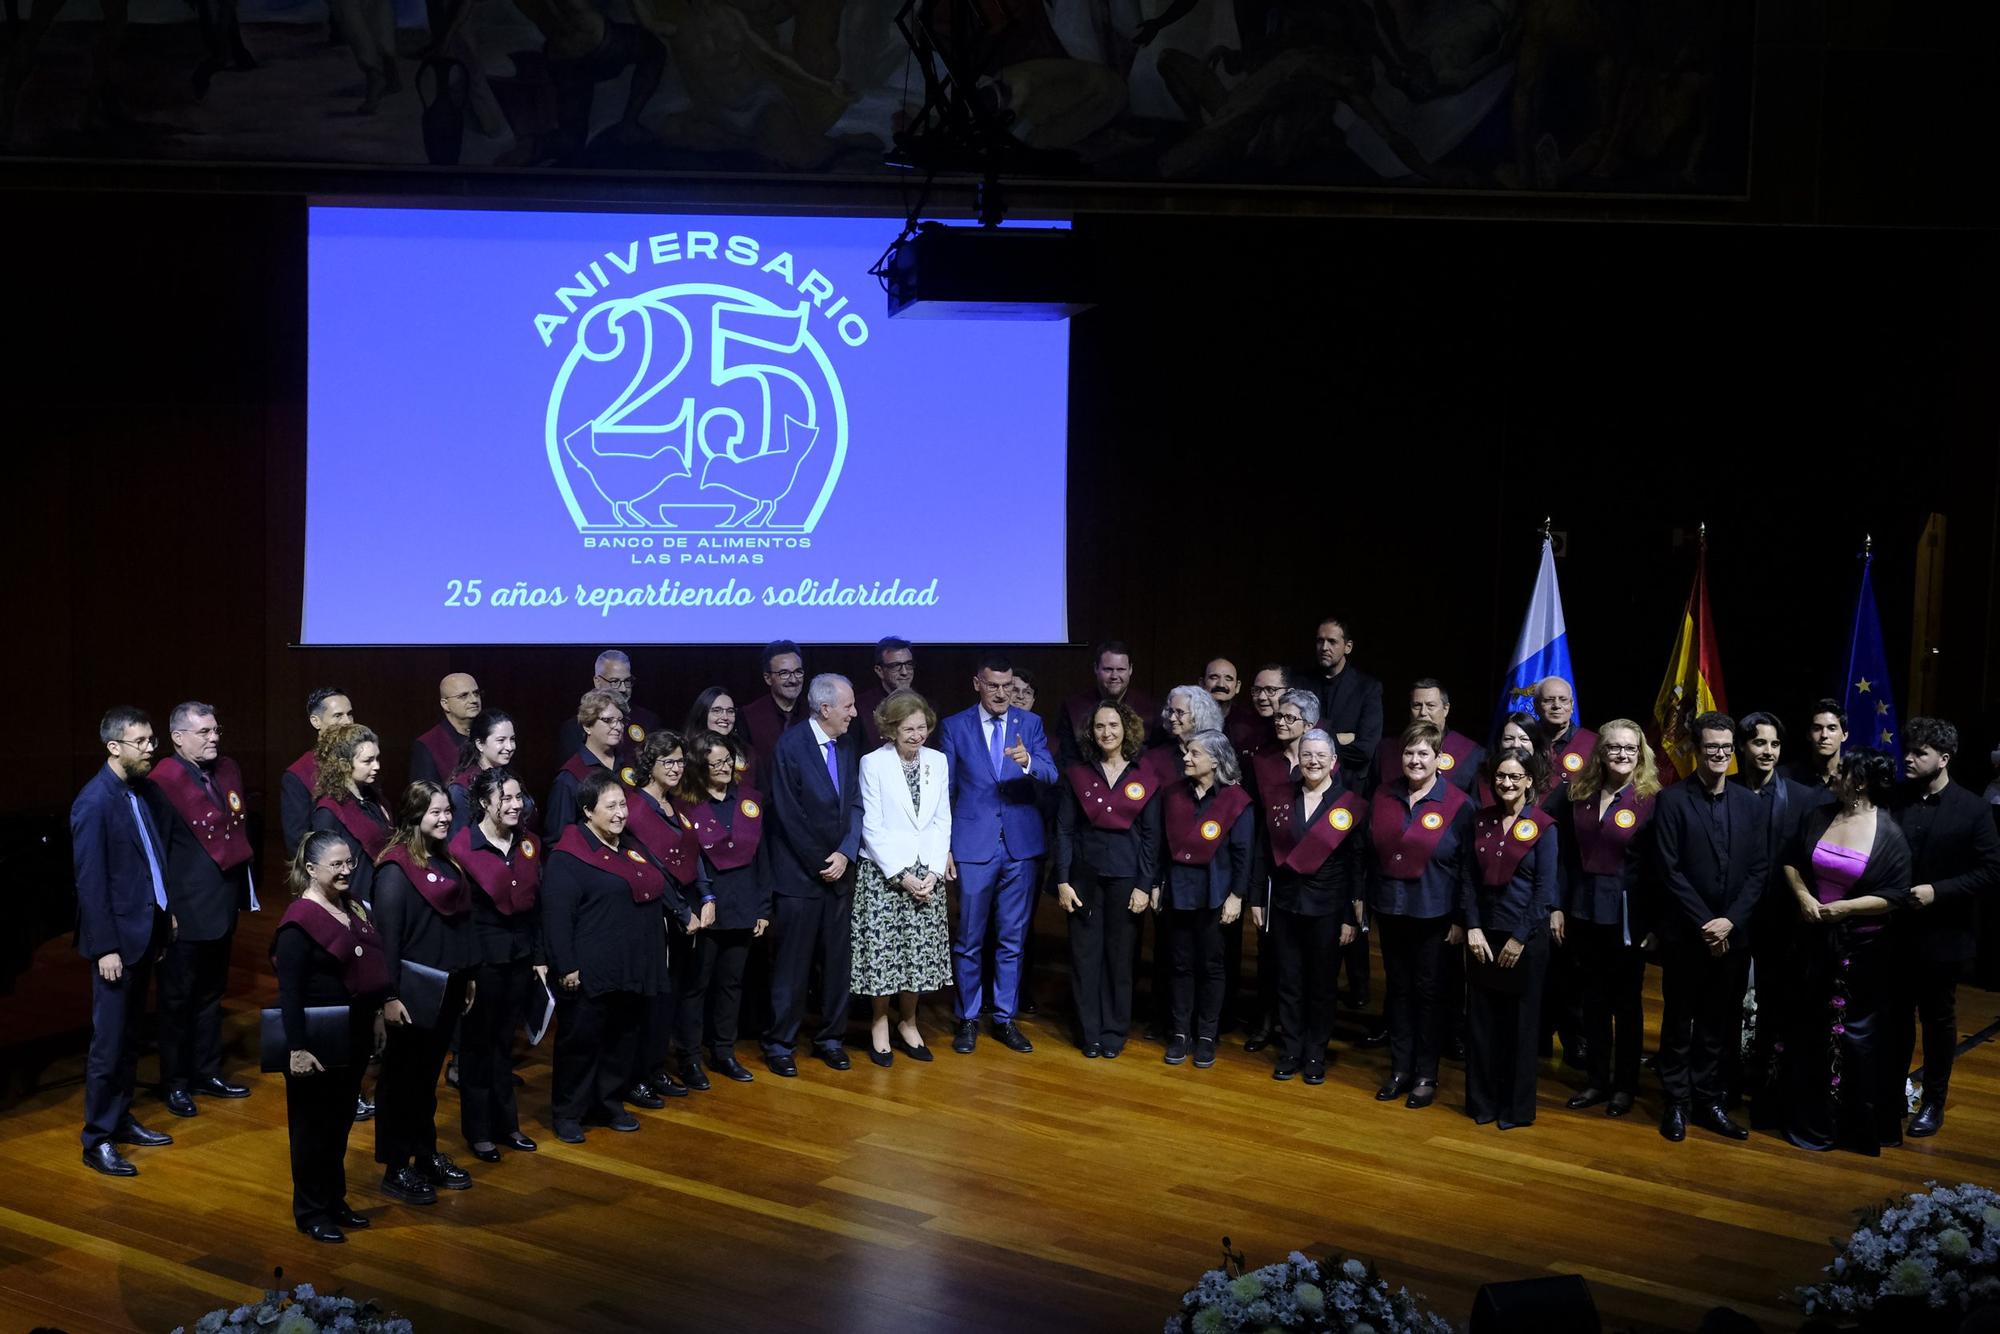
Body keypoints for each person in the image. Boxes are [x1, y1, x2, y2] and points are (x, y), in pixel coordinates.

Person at [1779, 749, 1912, 1155]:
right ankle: (1806, 1116)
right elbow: (1791, 861)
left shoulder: (1888, 833)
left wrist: (1845, 909)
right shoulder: (1820, 815)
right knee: (1809, 1028)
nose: (1833, 775)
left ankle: (1847, 1123)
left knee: (1853, 1036)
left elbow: (1895, 896)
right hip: (1814, 941)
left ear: (1860, 782)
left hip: (1861, 949)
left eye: (1841, 771)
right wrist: (1803, 896)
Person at [1651, 711, 1769, 1144]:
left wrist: (1730, 921)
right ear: (1695, 751)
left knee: (1720, 1024)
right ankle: (1676, 1103)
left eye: (1725, 747)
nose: (1719, 754)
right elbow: (1669, 870)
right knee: (1680, 1023)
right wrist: (1706, 922)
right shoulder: (1672, 800)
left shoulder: (1749, 803)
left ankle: (1708, 1100)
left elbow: (1759, 870)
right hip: (1687, 935)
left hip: (1733, 937)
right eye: (1710, 747)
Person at [72, 707, 176, 1177]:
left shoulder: (141, 792)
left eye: (152, 739)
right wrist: (104, 948)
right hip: (117, 943)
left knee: (131, 1036)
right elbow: (91, 883)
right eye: (142, 741)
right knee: (108, 1043)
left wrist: (165, 910)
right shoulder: (94, 802)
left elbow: (150, 858)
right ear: (114, 747)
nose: (151, 747)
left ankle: (121, 1118)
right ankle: (97, 1139)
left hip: (145, 931)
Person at [274, 831, 388, 1242]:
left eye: (349, 864)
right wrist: (297, 1048)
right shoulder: (297, 923)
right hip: (315, 1041)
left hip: (353, 1034)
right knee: (310, 1130)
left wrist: (376, 1015)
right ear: (310, 869)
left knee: (339, 1124)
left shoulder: (351, 906)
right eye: (336, 865)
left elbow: (367, 968)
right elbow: (289, 993)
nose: (346, 872)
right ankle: (310, 1210)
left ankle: (334, 1199)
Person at [544, 772, 670, 1143]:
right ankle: (569, 1112)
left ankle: (608, 1103)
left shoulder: (629, 845)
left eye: (622, 804)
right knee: (580, 1042)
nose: (620, 814)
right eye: (610, 806)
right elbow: (556, 917)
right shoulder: (568, 857)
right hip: (590, 970)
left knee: (622, 1039)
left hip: (631, 966)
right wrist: (566, 966)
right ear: (587, 811)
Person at [940, 654, 1056, 1054]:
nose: (1003, 693)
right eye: (994, 685)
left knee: (1012, 939)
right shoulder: (954, 726)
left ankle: (1004, 1018)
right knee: (969, 939)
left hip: (1021, 848)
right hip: (973, 847)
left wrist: (1028, 763)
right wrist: (946, 850)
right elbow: (946, 792)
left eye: (1008, 686)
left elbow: (1051, 773)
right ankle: (968, 1017)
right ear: (978, 684)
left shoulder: (1031, 725)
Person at [1890, 716, 2000, 1137]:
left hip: (1944, 936)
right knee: (1896, 1019)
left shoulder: (1972, 808)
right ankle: (1894, 1094)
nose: (1909, 759)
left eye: (1920, 753)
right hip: (1895, 933)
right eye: (1909, 750)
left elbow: (1992, 870)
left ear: (1945, 758)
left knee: (1938, 1023)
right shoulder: (1896, 798)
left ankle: (1933, 1101)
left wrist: (1940, 890)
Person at [144, 701, 255, 1118]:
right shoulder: (161, 782)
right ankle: (175, 1082)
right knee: (176, 1001)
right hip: (184, 911)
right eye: (204, 732)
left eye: (215, 730)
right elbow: (155, 853)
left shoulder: (227, 769)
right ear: (178, 738)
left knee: (211, 995)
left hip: (222, 904)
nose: (214, 738)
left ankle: (207, 1072)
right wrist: (164, 910)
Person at [371, 781, 476, 1205]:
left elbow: (458, 925)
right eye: (436, 812)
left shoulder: (445, 860)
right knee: (400, 1079)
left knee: (425, 1079)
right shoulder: (395, 870)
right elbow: (387, 941)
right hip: (411, 992)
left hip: (447, 985)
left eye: (448, 811)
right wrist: (388, 997)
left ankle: (424, 1152)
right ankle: (397, 1167)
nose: (445, 818)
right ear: (414, 816)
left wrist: (466, 977)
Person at [1365, 722, 1474, 1111]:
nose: (1414, 759)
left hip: (1435, 914)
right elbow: (1368, 852)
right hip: (1391, 908)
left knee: (1429, 995)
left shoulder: (1459, 804)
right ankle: (1400, 1069)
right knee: (1398, 991)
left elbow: (1466, 868)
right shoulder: (1382, 795)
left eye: (1423, 753)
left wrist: (1463, 919)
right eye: (1409, 753)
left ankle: (1426, 1074)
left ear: (1437, 758)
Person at [1556, 721, 1662, 1118]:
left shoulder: (1652, 800)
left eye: (1629, 749)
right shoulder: (1578, 794)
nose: (1621, 755)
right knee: (1592, 1002)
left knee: (1627, 1005)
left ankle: (1625, 1086)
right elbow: (1565, 856)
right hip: (1583, 912)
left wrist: (1654, 924)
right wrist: (1558, 907)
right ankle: (1597, 1080)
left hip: (1627, 917)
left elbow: (1657, 869)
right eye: (1614, 748)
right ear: (1600, 752)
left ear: (1640, 754)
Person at [762, 673, 864, 1075]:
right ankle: (780, 1043)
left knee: (837, 964)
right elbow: (788, 815)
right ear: (825, 709)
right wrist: (824, 862)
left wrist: (845, 853)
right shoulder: (790, 746)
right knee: (793, 965)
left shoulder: (847, 744)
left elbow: (856, 803)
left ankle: (830, 1039)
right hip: (800, 880)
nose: (855, 713)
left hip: (840, 876)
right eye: (848, 706)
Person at [1732, 710, 1833, 1120]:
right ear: (1742, 747)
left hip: (1781, 921)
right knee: (1724, 1004)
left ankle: (1766, 1088)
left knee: (1776, 1007)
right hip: (1734, 918)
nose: (1768, 751)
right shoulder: (1726, 789)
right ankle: (1724, 1084)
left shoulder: (1804, 798)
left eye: (1775, 744)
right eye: (1760, 743)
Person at [447, 767, 544, 1163]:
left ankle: (508, 1125)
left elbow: (536, 906)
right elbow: (459, 917)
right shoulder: (463, 847)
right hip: (482, 961)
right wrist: (467, 971)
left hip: (518, 957)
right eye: (506, 797)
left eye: (518, 797)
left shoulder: (528, 844)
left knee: (505, 1043)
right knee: (476, 1047)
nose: (515, 804)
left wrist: (538, 957)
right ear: (485, 802)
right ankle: (479, 1131)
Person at [1257, 729, 1364, 1085]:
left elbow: (1355, 865)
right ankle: (1290, 1050)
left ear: (1334, 762)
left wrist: (1351, 915)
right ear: (1298, 760)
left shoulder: (1348, 802)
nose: (1313, 761)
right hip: (1287, 905)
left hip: (1328, 908)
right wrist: (1259, 897)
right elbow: (1264, 853)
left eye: (1321, 755)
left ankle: (1315, 1052)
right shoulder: (1281, 799)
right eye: (1307, 755)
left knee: (1321, 984)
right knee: (1288, 980)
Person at [1054, 700, 1159, 1059]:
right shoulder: (1076, 774)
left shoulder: (1144, 776)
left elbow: (1151, 837)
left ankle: (1115, 1030)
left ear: (1126, 729)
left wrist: (1145, 884)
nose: (1107, 732)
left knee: (1120, 958)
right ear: (1091, 732)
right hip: (1083, 879)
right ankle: (1090, 1032)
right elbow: (1064, 830)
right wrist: (1062, 879)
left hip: (1127, 880)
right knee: (1085, 958)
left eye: (1113, 725)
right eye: (1100, 726)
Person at [853, 689, 953, 1065]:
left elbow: (942, 817)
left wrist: (929, 872)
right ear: (890, 729)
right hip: (884, 874)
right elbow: (872, 827)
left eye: (922, 727)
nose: (917, 735)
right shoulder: (872, 764)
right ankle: (880, 1022)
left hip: (927, 874)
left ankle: (908, 1023)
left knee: (917, 955)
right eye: (908, 729)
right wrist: (903, 875)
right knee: (884, 955)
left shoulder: (938, 761)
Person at [1461, 746, 1556, 1129]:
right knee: (1482, 1025)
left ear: (1529, 781)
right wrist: (1472, 926)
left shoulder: (1545, 827)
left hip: (1525, 940)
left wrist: (1519, 938)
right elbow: (1467, 879)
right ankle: (1482, 1103)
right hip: (1483, 936)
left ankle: (1515, 1109)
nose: (1506, 783)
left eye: (1515, 776)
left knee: (1520, 1027)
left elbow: (1544, 892)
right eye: (1501, 776)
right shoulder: (1480, 820)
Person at [1152, 730, 1254, 1069]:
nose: (1186, 758)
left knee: (1211, 966)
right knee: (1179, 964)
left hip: (1216, 895)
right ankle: (1180, 1032)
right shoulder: (1172, 795)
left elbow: (1243, 854)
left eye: (1194, 753)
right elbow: (1160, 848)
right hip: (1179, 893)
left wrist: (1237, 896)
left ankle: (1207, 1035)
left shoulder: (1235, 801)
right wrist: (1155, 884)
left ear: (1215, 759)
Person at [676, 729, 771, 1087]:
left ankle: (723, 1053)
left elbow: (762, 857)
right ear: (700, 766)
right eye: (714, 762)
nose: (723, 767)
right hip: (706, 907)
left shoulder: (749, 800)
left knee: (731, 984)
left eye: (727, 761)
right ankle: (689, 1057)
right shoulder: (687, 805)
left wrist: (763, 907)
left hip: (744, 904)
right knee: (697, 985)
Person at [623, 729, 704, 1105]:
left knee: (670, 995)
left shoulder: (675, 806)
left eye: (679, 762)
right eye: (667, 762)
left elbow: (693, 854)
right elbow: (651, 867)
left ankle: (655, 1067)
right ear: (649, 765)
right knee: (650, 998)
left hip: (682, 913)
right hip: (655, 913)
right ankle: (636, 1075)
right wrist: (682, 910)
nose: (675, 768)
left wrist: (706, 896)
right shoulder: (636, 809)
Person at [310, 724, 393, 906]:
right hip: (354, 902)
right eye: (368, 761)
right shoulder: (329, 810)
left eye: (377, 758)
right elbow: (324, 869)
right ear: (344, 764)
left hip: (380, 894)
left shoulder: (373, 797)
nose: (377, 766)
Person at [1301, 616, 1382, 779]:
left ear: (1348, 647)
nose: (1324, 647)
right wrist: (1340, 738)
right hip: (1308, 781)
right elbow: (1295, 741)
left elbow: (1365, 750)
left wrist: (1315, 744)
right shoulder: (1302, 684)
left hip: (1349, 783)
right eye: (1320, 641)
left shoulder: (1368, 688)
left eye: (1332, 642)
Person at [546, 690, 634, 838]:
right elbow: (558, 839)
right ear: (587, 726)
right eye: (608, 720)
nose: (618, 727)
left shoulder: (629, 764)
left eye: (620, 720)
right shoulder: (570, 777)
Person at [555, 650, 662, 771]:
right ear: (597, 682)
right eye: (615, 682)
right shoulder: (573, 728)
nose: (622, 688)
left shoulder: (648, 721)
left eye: (627, 681)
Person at [1371, 680, 1483, 795]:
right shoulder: (1385, 750)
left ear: (1446, 709)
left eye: (1430, 706)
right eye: (1417, 705)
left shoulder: (1472, 754)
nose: (1423, 712)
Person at [1058, 641, 1160, 768]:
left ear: (1130, 670)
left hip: (1138, 783)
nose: (1114, 676)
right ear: (1096, 668)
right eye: (1108, 669)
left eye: (1121, 669)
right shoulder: (1073, 708)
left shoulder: (1150, 708)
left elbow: (1157, 758)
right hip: (1085, 781)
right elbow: (1067, 759)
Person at [281, 687, 354, 853]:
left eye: (349, 714)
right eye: (338, 715)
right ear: (316, 721)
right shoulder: (299, 773)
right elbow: (297, 841)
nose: (347, 722)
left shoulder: (362, 763)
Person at [448, 709, 539, 833]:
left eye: (512, 739)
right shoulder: (461, 789)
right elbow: (457, 843)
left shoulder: (510, 776)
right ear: (480, 744)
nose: (510, 747)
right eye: (501, 740)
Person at [741, 640, 809, 782]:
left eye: (798, 672)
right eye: (784, 673)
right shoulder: (749, 716)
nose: (793, 680)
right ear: (768, 678)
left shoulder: (814, 713)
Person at [410, 673, 483, 785]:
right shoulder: (428, 744)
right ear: (445, 704)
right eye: (463, 696)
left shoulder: (489, 733)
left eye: (476, 693)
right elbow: (424, 797)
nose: (474, 700)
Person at [685, 686, 757, 789]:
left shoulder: (747, 752)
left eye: (730, 711)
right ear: (703, 713)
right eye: (717, 711)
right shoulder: (686, 752)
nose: (725, 717)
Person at [1534, 677, 1597, 789]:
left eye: (1563, 700)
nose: (1557, 706)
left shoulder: (1594, 743)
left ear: (1572, 705)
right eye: (1548, 700)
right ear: (1536, 706)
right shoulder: (1524, 740)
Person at [854, 636, 917, 749]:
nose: (904, 672)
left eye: (909, 664)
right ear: (879, 671)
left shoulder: (925, 705)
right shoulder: (860, 707)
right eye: (895, 666)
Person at [1787, 700, 1848, 791]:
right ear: (1808, 735)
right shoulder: (1786, 778)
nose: (1824, 735)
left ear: (1844, 735)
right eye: (1817, 728)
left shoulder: (1853, 779)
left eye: (1832, 728)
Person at [1229, 664, 1287, 760]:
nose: (1261, 697)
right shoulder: (1241, 730)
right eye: (1257, 690)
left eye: (1270, 690)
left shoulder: (1302, 730)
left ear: (1289, 692)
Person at [1204, 659, 1241, 724]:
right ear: (1202, 683)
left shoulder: (1248, 722)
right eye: (1214, 678)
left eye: (1228, 679)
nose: (1221, 685)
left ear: (1237, 687)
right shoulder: (1188, 717)